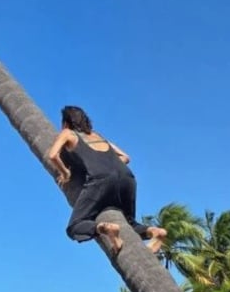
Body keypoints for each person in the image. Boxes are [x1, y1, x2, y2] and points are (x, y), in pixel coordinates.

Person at [47, 105, 167, 254]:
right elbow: (126, 157)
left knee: (75, 226)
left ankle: (105, 228)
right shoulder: (98, 136)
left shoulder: (67, 133)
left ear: (66, 122)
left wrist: (65, 174)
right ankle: (156, 232)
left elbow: (52, 155)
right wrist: (108, 167)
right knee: (130, 223)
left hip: (100, 180)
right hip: (127, 178)